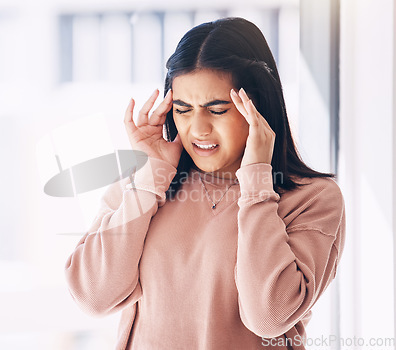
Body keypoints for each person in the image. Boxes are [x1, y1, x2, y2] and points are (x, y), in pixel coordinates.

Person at [65, 17, 345, 350]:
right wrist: (150, 177)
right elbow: (93, 296)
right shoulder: (148, 183)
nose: (198, 128)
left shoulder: (312, 199)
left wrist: (257, 181)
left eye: (216, 110)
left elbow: (268, 316)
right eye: (183, 109)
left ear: (257, 107)